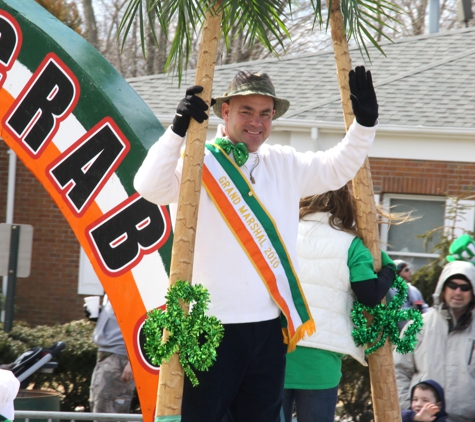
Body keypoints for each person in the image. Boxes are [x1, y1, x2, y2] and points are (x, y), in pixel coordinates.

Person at [134, 67, 379, 422]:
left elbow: (337, 167)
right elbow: (149, 186)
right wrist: (176, 131)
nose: (257, 122)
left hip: (267, 331)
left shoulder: (283, 162)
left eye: (266, 113)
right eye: (247, 111)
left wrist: (365, 125)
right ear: (225, 111)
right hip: (209, 328)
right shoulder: (198, 159)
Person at [282, 185, 396, 422]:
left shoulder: (283, 232)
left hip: (278, 350)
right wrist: (388, 270)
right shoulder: (352, 245)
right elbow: (369, 294)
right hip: (322, 361)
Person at [394, 260, 475, 422]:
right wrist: (410, 412)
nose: (458, 292)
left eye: (465, 287)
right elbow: (398, 370)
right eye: (452, 285)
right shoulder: (418, 326)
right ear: (443, 288)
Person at [87, 295, 135, 414]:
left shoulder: (133, 285)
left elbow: (145, 323)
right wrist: (100, 315)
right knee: (98, 405)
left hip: (120, 358)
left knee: (110, 409)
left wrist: (133, 362)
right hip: (106, 356)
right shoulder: (113, 287)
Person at [388, 260, 429, 331]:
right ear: (397, 273)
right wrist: (413, 309)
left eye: (409, 269)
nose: (410, 272)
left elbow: (424, 307)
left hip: (416, 331)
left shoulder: (414, 290)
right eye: (406, 270)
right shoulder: (390, 290)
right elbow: (395, 312)